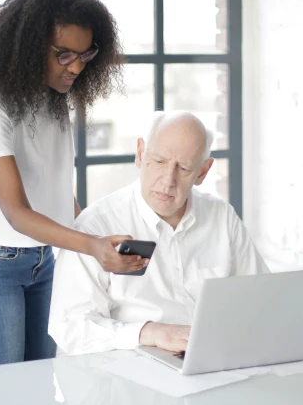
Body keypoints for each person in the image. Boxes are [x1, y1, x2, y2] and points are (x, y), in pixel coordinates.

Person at [0, 0, 148, 368]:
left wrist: (102, 238)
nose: (75, 67)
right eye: (63, 54)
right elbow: (16, 213)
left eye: (85, 54)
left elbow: (56, 191)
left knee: (38, 386)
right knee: (5, 397)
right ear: (27, 48)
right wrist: (91, 244)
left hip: (43, 261)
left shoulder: (53, 99)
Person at [48, 111, 269, 356]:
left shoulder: (222, 217)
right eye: (160, 161)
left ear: (203, 172)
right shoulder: (95, 226)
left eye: (184, 168)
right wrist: (151, 333)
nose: (168, 180)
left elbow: (260, 297)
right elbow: (70, 327)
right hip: (128, 370)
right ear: (141, 154)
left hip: (211, 363)